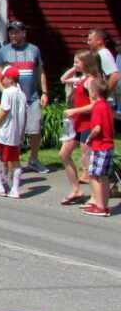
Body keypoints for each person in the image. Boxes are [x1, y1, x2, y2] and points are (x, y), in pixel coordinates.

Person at [0, 21, 50, 174]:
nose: (13, 35)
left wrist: (45, 92)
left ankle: (33, 159)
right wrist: (4, 90)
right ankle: (10, 163)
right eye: (11, 32)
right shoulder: (4, 51)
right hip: (13, 99)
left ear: (24, 33)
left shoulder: (34, 50)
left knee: (35, 128)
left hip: (31, 97)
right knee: (12, 131)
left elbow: (40, 72)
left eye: (16, 32)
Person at [58, 51, 101, 205]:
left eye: (77, 62)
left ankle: (96, 198)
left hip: (88, 123)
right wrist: (75, 67)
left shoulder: (91, 81)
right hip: (76, 123)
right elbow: (63, 79)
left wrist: (74, 111)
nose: (75, 64)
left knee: (87, 161)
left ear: (87, 62)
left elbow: (95, 105)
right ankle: (76, 189)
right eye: (74, 61)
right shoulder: (82, 78)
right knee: (64, 153)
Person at [0, 65, 26, 198]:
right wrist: (22, 132)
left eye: (3, 78)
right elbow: (23, 114)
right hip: (15, 132)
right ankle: (15, 190)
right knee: (15, 160)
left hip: (4, 131)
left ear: (10, 79)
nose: (2, 81)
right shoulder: (22, 94)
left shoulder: (7, 92)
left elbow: (4, 111)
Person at [80, 77, 114, 217]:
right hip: (108, 144)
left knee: (94, 174)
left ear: (94, 92)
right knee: (104, 176)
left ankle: (99, 206)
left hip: (100, 145)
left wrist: (89, 138)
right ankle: (104, 205)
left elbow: (97, 128)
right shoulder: (106, 105)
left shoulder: (97, 107)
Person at [86, 28, 119, 95]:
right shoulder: (99, 54)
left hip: (102, 100)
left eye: (90, 40)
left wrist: (104, 95)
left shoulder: (104, 54)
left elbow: (115, 76)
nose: (87, 42)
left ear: (99, 41)